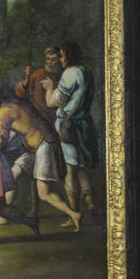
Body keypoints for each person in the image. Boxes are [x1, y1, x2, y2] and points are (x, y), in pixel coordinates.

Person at [0, 84, 82, 230]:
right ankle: (3, 215)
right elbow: (14, 130)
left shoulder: (3, 112)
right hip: (36, 145)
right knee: (12, 174)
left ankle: (73, 214)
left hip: (44, 144)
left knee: (44, 193)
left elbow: (0, 136)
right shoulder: (14, 103)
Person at [46, 41, 98, 217]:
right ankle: (91, 205)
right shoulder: (87, 72)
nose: (60, 60)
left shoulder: (70, 73)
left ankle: (75, 213)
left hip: (68, 127)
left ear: (69, 55)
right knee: (82, 167)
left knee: (70, 170)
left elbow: (53, 102)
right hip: (84, 124)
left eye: (61, 56)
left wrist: (49, 87)